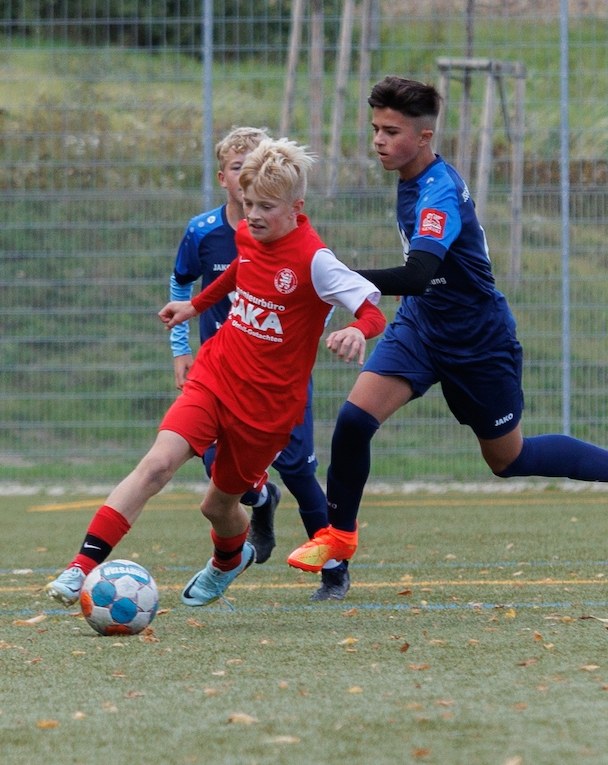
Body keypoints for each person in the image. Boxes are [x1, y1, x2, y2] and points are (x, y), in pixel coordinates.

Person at [286, 75, 608, 576]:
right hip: (421, 325)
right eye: (375, 129)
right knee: (354, 422)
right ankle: (339, 536)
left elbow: (419, 274)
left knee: (508, 459)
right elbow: (422, 287)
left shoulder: (438, 192)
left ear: (424, 137)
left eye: (391, 132)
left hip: (477, 338)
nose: (378, 141)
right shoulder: (410, 178)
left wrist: (334, 276)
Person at [46, 139, 384, 608]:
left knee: (217, 506)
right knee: (156, 465)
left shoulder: (315, 260)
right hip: (216, 374)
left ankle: (228, 560)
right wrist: (195, 305)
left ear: (296, 207)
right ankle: (80, 567)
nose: (254, 216)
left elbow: (372, 310)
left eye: (266, 207)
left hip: (266, 409)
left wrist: (357, 330)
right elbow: (238, 272)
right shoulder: (248, 234)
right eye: (249, 203)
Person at [170, 127, 348, 599]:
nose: (247, 179)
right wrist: (181, 348)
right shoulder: (205, 232)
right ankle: (262, 500)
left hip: (277, 383)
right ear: (225, 178)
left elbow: (324, 291)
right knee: (219, 475)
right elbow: (183, 283)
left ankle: (333, 569)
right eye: (237, 168)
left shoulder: (288, 237)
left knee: (299, 470)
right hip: (222, 376)